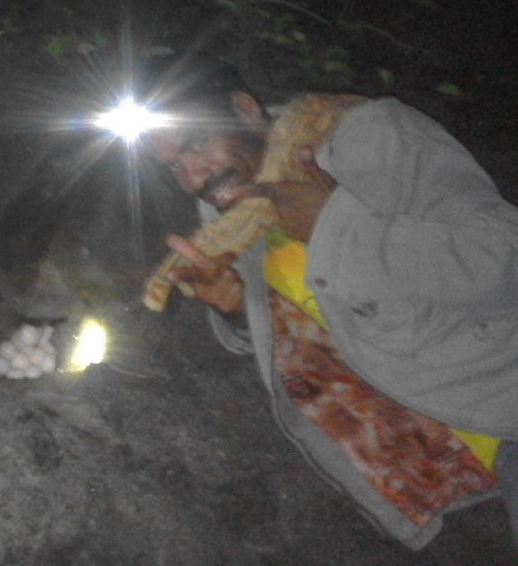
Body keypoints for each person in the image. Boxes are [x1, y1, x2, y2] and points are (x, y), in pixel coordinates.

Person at [141, 53, 517, 550]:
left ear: (245, 110)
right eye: (174, 167)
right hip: (435, 469)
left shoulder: (363, 137)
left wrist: (332, 225)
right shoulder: (235, 214)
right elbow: (303, 321)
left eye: (196, 145)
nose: (194, 178)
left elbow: (502, 258)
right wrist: (232, 311)